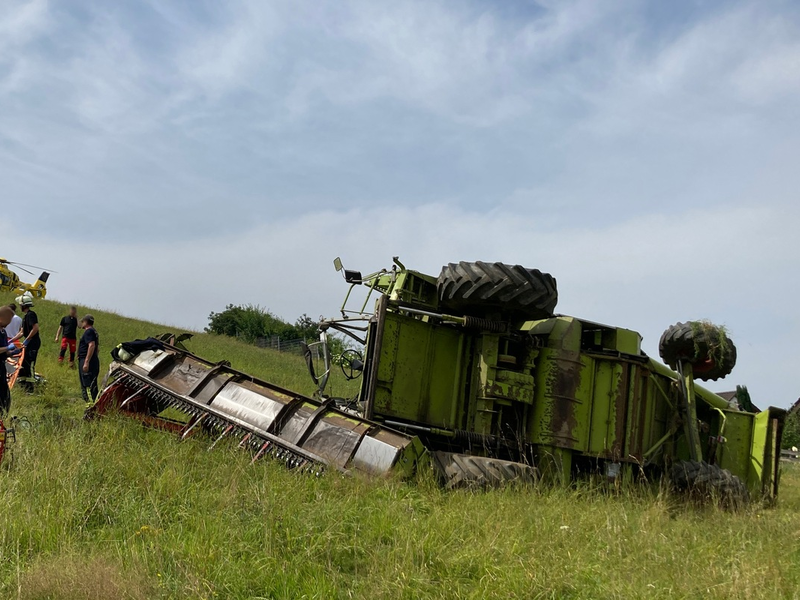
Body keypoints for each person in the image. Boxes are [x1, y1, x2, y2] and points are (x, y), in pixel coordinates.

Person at [16, 293, 40, 394]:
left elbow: (35, 328)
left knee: (30, 364)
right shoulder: (25, 317)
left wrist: (27, 339)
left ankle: (31, 388)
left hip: (33, 343)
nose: (19, 306)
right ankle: (24, 385)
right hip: (28, 343)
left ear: (23, 305)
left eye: (20, 305)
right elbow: (22, 332)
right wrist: (12, 340)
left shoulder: (31, 315)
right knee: (24, 363)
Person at [0, 306, 22, 413]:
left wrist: (13, 352)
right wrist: (8, 348)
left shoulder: (3, 333)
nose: (8, 324)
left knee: (5, 395)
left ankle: (3, 415)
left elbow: (5, 352)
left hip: (1, 366)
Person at [78, 314, 100, 405]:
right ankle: (95, 402)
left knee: (86, 383)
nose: (82, 323)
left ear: (86, 322)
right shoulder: (94, 332)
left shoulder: (89, 331)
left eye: (83, 321)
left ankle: (90, 404)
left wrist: (86, 361)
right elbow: (97, 349)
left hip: (86, 360)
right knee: (93, 384)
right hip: (93, 360)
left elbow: (91, 345)